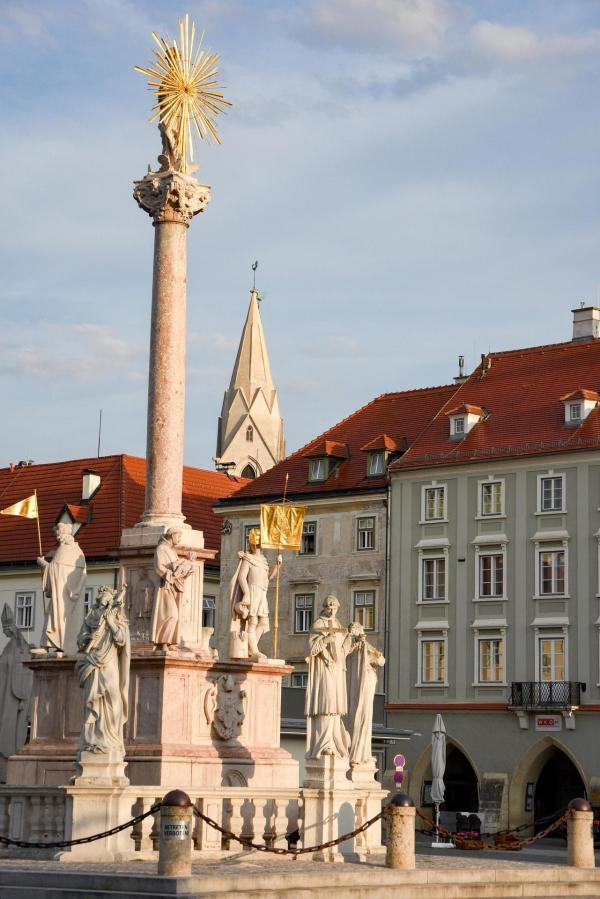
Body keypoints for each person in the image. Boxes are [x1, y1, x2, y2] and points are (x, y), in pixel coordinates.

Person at [75, 585, 130, 756]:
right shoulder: (92, 616)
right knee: (92, 701)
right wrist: (88, 638)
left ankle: (111, 739)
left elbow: (121, 639)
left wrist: (112, 623)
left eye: (105, 597)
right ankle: (92, 740)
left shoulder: (117, 616)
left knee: (113, 699)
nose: (102, 599)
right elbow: (80, 639)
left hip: (110, 663)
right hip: (93, 661)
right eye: (100, 597)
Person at [305, 595, 352, 759]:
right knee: (326, 704)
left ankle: (334, 742)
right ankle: (323, 744)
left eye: (335, 608)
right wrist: (325, 640)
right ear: (324, 608)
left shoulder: (338, 624)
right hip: (324, 669)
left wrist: (349, 637)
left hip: (337, 669)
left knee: (335, 707)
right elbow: (312, 647)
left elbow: (343, 651)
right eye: (329, 608)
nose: (332, 611)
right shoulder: (318, 623)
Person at [229, 528, 281, 660]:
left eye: (258, 545)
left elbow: (268, 577)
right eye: (254, 545)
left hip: (262, 593)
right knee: (253, 622)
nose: (256, 547)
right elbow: (241, 577)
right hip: (252, 591)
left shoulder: (263, 560)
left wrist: (277, 566)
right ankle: (254, 650)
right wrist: (246, 593)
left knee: (263, 624)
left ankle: (251, 647)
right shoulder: (248, 558)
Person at [37, 522, 86, 655]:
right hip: (62, 595)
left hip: (64, 597)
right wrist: (48, 566)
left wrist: (43, 564)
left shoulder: (67, 550)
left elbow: (56, 569)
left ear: (65, 534)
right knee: (52, 616)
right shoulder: (74, 551)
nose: (58, 538)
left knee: (56, 617)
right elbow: (57, 569)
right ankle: (48, 645)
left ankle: (57, 646)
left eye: (58, 535)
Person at [346, 622, 385, 767]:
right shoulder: (347, 648)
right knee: (355, 718)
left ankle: (362, 753)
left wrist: (367, 648)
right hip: (352, 690)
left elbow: (381, 661)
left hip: (366, 686)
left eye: (358, 630)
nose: (356, 633)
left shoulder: (366, 647)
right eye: (353, 631)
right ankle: (354, 753)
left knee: (364, 719)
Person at [0, 605, 33, 777]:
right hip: (5, 697)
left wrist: (22, 695)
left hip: (13, 698)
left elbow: (25, 669)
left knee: (12, 732)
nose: (6, 631)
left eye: (8, 628)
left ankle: (10, 762)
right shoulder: (9, 647)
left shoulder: (21, 646)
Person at [151, 528, 195, 651]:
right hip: (165, 587)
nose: (180, 539)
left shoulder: (171, 551)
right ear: (172, 535)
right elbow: (159, 567)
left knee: (176, 615)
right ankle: (162, 642)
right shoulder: (161, 549)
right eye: (179, 536)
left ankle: (168, 642)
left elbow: (177, 567)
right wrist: (172, 573)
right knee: (170, 615)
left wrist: (188, 565)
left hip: (174, 586)